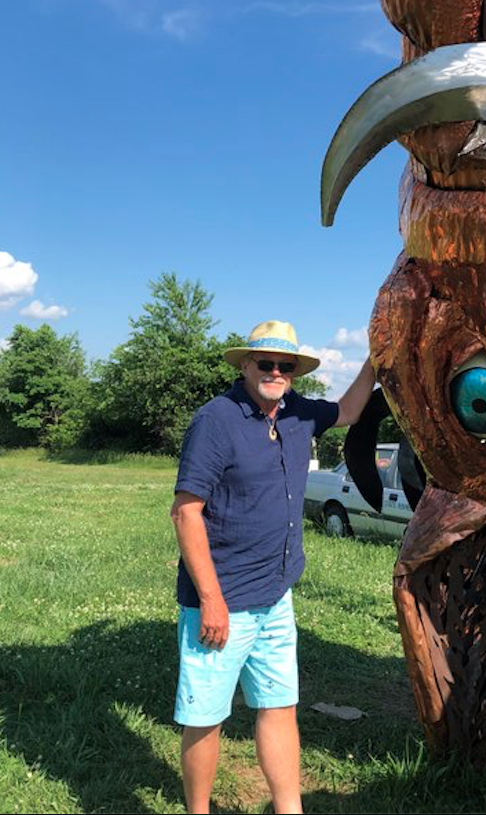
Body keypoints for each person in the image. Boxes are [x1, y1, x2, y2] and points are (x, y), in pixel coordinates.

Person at [170, 319, 375, 815]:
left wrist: (375, 361)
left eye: (286, 366)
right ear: (245, 365)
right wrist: (212, 600)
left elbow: (348, 410)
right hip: (222, 601)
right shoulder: (215, 420)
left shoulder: (297, 413)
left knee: (279, 707)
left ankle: (290, 809)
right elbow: (185, 511)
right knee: (207, 717)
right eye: (266, 363)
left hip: (276, 595)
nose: (276, 372)